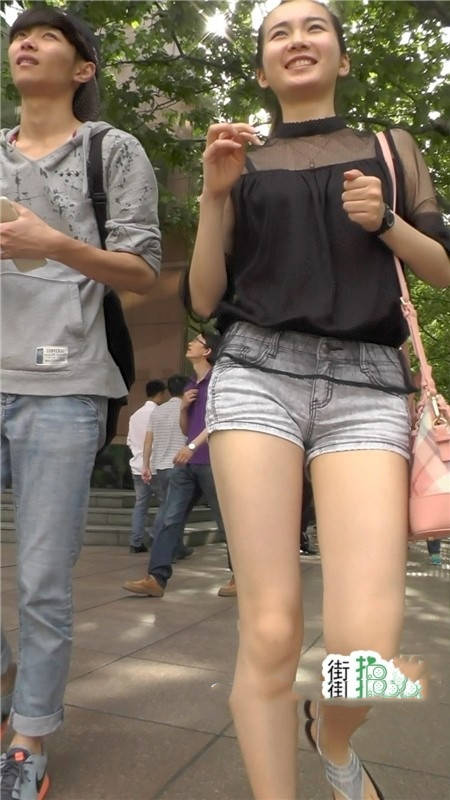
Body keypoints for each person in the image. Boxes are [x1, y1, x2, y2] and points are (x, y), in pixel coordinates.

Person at [188, 1, 450, 798]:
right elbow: (203, 298)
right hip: (257, 373)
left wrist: (388, 223)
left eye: (315, 28)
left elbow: (442, 269)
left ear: (342, 55)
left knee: (372, 649)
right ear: (262, 68)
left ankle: (331, 734)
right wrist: (213, 196)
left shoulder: (391, 148)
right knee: (270, 630)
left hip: (368, 385)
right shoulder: (241, 160)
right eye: (279, 32)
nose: (297, 40)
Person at [0, 7, 160, 798]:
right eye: (17, 35)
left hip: (63, 388)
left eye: (46, 36)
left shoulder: (111, 150)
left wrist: (53, 244)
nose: (24, 42)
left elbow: (143, 272)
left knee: (42, 580)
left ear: (84, 68)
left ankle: (27, 735)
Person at [122, 332, 230, 598]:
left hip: (211, 461)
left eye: (197, 341)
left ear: (207, 351)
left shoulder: (220, 380)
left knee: (226, 521)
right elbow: (185, 429)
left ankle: (242, 577)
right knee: (169, 519)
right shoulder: (192, 383)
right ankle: (155, 578)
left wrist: (192, 446)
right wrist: (183, 408)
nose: (190, 343)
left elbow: (219, 420)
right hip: (186, 464)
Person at [141, 373, 195, 560]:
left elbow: (148, 440)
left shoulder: (157, 411)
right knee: (171, 509)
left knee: (169, 506)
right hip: (179, 464)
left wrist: (145, 465)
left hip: (159, 466)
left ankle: (176, 546)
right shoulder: (187, 408)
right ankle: (160, 542)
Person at [127, 380, 166, 552]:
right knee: (166, 502)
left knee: (141, 504)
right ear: (161, 393)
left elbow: (130, 441)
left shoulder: (135, 415)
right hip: (155, 466)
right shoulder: (159, 414)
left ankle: (135, 542)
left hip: (137, 466)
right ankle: (154, 535)